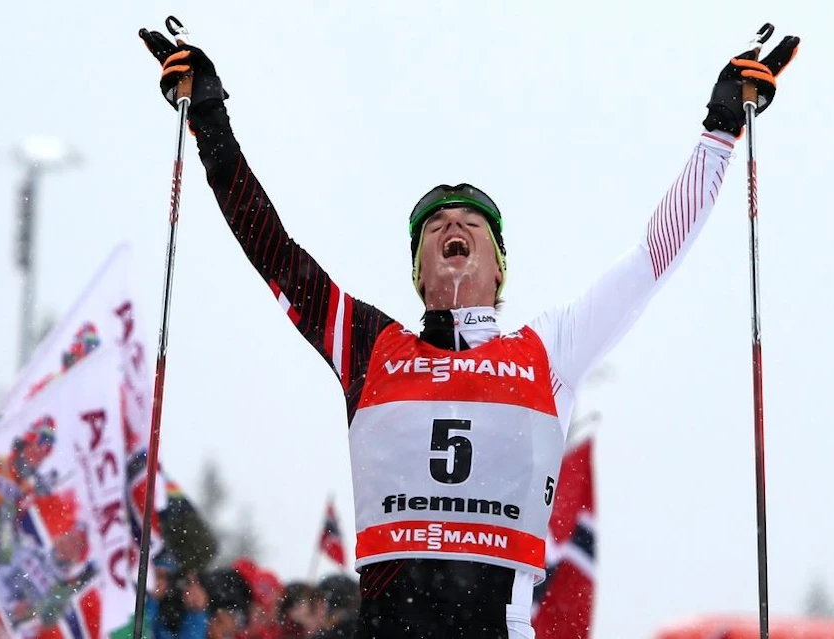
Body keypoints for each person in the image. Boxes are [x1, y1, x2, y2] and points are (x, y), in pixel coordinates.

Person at [139, 20, 799, 639]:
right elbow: (273, 250)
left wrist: (720, 130)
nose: (453, 225)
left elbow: (651, 258)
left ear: (498, 267)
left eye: (471, 222)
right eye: (435, 226)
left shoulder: (547, 351)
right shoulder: (370, 346)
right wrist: (209, 118)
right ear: (420, 271)